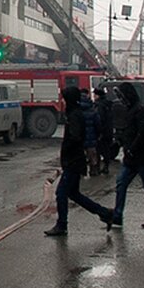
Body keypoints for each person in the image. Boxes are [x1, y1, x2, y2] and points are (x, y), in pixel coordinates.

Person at [44, 85, 114, 236]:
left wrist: (68, 153)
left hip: (73, 161)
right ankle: (104, 213)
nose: (62, 102)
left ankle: (62, 225)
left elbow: (75, 137)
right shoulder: (75, 113)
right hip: (74, 160)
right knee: (74, 194)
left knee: (61, 193)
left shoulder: (74, 115)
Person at [111, 82, 144, 230]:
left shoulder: (139, 110)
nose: (121, 100)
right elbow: (131, 132)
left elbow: (142, 133)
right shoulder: (130, 110)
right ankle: (117, 216)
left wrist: (131, 149)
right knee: (121, 184)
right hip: (132, 157)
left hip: (140, 158)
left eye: (122, 96)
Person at [94, 85, 117, 175]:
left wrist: (99, 131)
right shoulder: (108, 104)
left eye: (95, 95)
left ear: (98, 96)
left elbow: (100, 119)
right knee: (107, 149)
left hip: (101, 132)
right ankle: (106, 167)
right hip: (109, 131)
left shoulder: (99, 105)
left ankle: (99, 168)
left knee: (99, 150)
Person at [81, 91, 101, 176]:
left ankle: (82, 172)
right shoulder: (93, 111)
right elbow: (98, 125)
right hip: (92, 139)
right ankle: (94, 171)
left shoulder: (77, 112)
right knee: (92, 156)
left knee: (81, 156)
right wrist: (98, 135)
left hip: (81, 138)